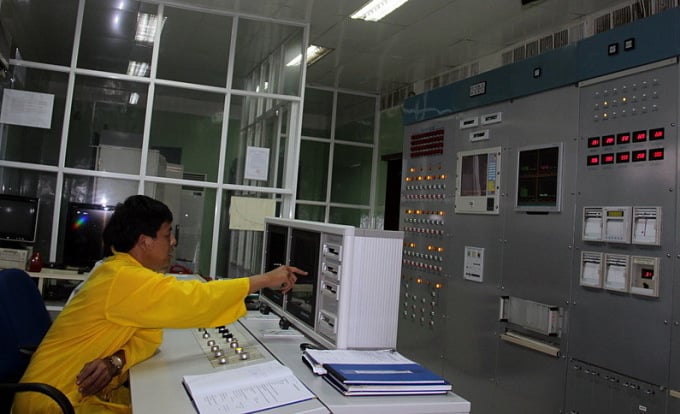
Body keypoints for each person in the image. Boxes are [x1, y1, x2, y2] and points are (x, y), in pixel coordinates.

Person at [14, 195, 306, 413]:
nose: (174, 241)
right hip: (53, 403)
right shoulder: (122, 278)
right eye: (167, 235)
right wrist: (263, 280)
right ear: (144, 241)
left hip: (75, 393)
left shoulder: (121, 272)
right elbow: (195, 299)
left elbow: (147, 336)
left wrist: (116, 360)